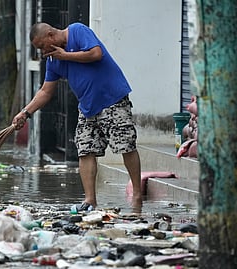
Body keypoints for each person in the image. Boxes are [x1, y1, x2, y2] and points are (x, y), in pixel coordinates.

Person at [12, 22, 142, 211]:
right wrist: (25, 112)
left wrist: (66, 56)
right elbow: (46, 91)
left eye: (42, 46)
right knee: (85, 149)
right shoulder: (52, 61)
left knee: (125, 145)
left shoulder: (77, 31)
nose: (42, 52)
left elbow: (96, 54)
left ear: (50, 35)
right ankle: (90, 200)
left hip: (112, 99)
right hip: (87, 107)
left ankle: (137, 195)